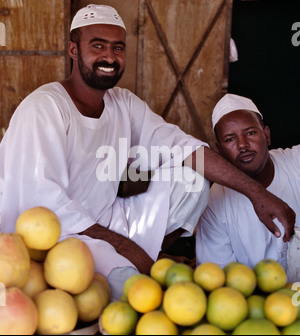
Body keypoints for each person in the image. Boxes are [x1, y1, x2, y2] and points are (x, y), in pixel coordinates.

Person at [0, 5, 295, 299]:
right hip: (58, 235)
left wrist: (257, 193)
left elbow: (184, 148)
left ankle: (143, 256)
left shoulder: (122, 104)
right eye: (98, 46)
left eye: (118, 47)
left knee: (192, 179)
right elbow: (41, 204)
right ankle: (130, 263)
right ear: (73, 50)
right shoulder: (46, 107)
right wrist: (125, 248)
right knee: (133, 293)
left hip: (107, 219)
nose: (110, 57)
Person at [196, 93, 300, 270]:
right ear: (219, 150)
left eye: (250, 133)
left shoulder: (296, 163)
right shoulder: (213, 204)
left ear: (266, 135)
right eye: (230, 139)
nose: (242, 145)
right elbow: (217, 278)